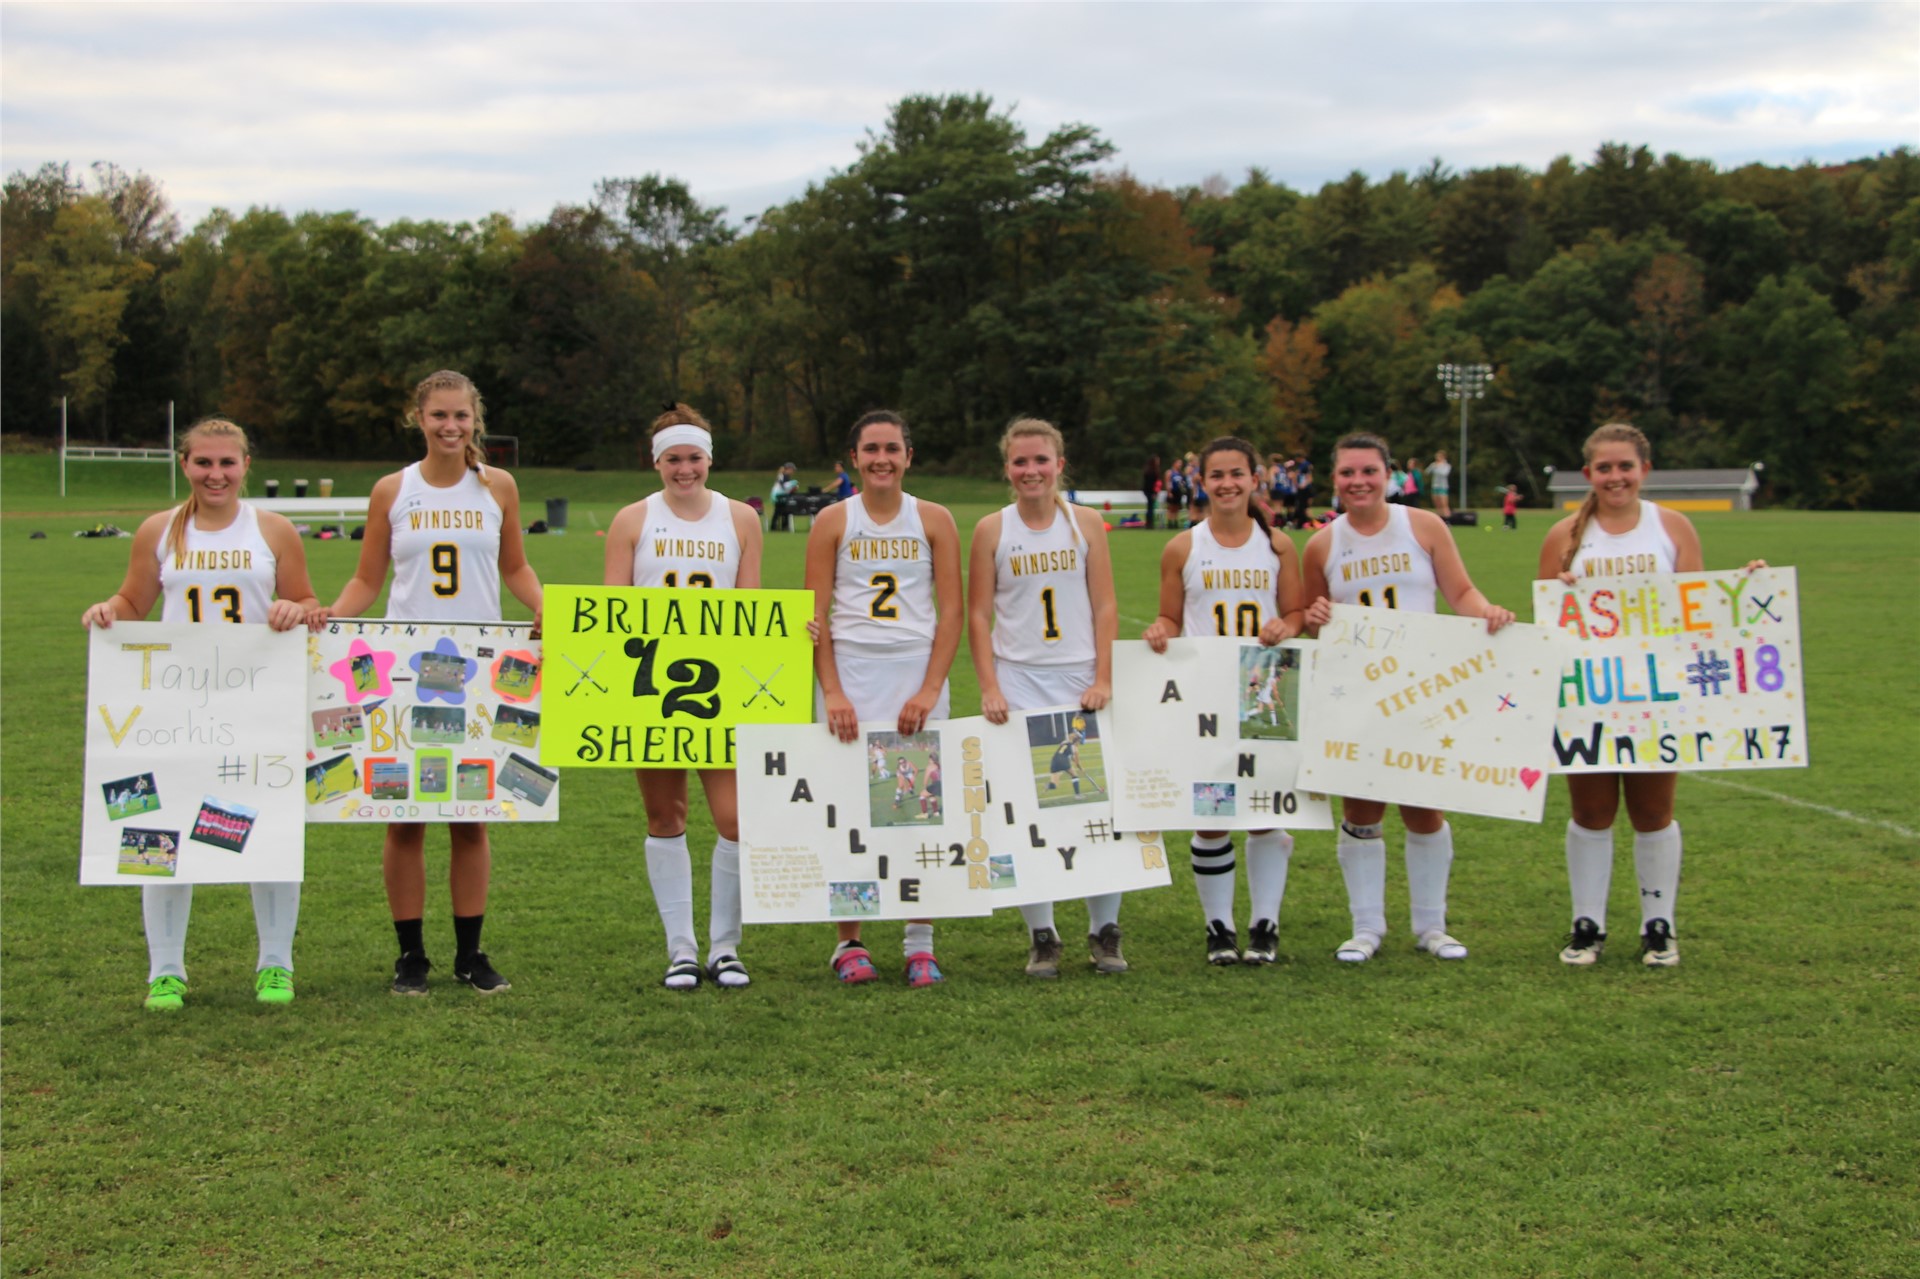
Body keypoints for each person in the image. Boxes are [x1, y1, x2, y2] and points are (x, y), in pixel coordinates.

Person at [314, 370, 542, 996]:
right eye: (439, 416)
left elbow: (515, 567)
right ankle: (410, 956)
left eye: (461, 417)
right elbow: (367, 580)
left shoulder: (498, 486)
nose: (450, 427)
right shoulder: (394, 488)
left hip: (480, 671)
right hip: (408, 670)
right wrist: (332, 616)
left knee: (472, 815)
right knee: (404, 816)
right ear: (419, 418)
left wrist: (545, 606)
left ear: (476, 419)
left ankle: (470, 954)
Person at [82, 417, 318, 1011]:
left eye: (228, 463)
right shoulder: (159, 530)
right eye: (203, 462)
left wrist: (296, 607)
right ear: (183, 464)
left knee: (267, 831)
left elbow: (308, 600)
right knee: (158, 830)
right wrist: (108, 610)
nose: (216, 474)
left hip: (258, 704)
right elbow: (134, 600)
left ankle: (275, 965)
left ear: (246, 465)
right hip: (174, 706)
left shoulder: (275, 529)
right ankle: (165, 969)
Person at [1537, 423, 1764, 967]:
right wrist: (1561, 597)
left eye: (1626, 467)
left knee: (1653, 813)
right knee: (1591, 813)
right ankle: (1585, 926)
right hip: (1588, 696)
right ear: (1588, 473)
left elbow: (1700, 609)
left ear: (1644, 470)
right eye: (1605, 468)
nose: (1616, 477)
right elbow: (1544, 626)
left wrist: (1750, 587)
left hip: (1659, 697)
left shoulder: (1673, 527)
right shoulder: (1563, 535)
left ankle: (1658, 926)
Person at [1302, 432, 1514, 965]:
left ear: (1388, 475)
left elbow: (1459, 591)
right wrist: (1314, 618)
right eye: (1348, 473)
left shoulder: (1422, 526)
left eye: (1368, 471)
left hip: (1423, 690)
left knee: (1424, 808)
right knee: (1362, 809)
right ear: (1335, 480)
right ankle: (1366, 926)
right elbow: (1310, 617)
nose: (1358, 482)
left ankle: (1431, 926)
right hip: (1357, 695)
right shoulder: (1323, 544)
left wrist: (1486, 611)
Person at [604, 403, 765, 990]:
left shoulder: (740, 519)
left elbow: (752, 612)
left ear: (709, 458)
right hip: (651, 687)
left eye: (694, 457)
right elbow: (609, 612)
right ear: (657, 461)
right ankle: (681, 949)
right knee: (664, 814)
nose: (684, 469)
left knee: (736, 818)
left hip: (719, 689)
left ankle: (725, 947)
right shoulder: (631, 520)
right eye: (673, 458)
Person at [806, 410, 963, 986]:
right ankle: (850, 941)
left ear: (908, 456)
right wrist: (832, 691)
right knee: (849, 812)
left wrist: (929, 688)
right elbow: (814, 617)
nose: (881, 458)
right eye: (871, 448)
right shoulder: (831, 521)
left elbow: (951, 614)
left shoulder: (935, 519)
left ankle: (919, 941)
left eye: (892, 448)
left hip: (915, 677)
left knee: (918, 810)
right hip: (850, 677)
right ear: (854, 458)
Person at [968, 418, 1123, 978]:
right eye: (1019, 462)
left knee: (1097, 808)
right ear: (1007, 468)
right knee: (1026, 812)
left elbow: (1105, 606)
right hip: (1020, 680)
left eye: (1041, 460)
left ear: (1060, 464)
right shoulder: (992, 528)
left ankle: (1104, 932)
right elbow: (980, 614)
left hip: (1080, 678)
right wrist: (990, 686)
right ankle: (1043, 935)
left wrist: (1103, 676)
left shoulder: (1086, 525)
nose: (1030, 471)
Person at [1143, 437, 1306, 967]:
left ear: (1255, 479)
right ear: (1203, 482)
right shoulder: (1183, 547)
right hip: (1204, 696)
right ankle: (1219, 928)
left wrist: (1288, 623)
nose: (1228, 484)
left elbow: (1298, 613)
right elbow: (1171, 616)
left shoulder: (1278, 545)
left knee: (1264, 811)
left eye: (1238, 473)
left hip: (1264, 688)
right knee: (1211, 814)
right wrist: (1159, 631)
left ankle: (1265, 924)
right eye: (1217, 475)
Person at [769, 462, 799, 532]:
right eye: (792, 470)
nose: (793, 472)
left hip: (781, 497)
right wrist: (793, 484)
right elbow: (784, 487)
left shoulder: (783, 476)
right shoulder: (783, 476)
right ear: (788, 469)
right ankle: (776, 527)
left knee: (781, 511)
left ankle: (780, 526)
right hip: (778, 497)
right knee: (779, 511)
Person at [1164, 458, 1188, 530]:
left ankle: (1175, 521)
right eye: (1178, 463)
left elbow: (1183, 482)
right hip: (1172, 491)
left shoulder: (1180, 473)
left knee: (1177, 507)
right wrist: (1169, 492)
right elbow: (1168, 482)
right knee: (1171, 508)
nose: (1180, 465)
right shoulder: (1170, 472)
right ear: (1174, 463)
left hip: (1178, 492)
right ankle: (1170, 522)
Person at [1428, 451, 1453, 521]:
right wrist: (1434, 466)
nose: (1437, 458)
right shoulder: (1434, 465)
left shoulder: (1446, 465)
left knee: (1444, 504)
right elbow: (1427, 471)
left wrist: (1437, 467)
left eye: (1438, 456)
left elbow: (1444, 473)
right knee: (1437, 504)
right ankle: (1440, 519)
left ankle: (1448, 520)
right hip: (1435, 486)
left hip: (1443, 486)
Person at [1140, 455, 1161, 530]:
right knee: (1150, 508)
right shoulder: (1151, 472)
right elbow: (1151, 484)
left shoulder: (1149, 470)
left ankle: (1149, 523)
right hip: (1150, 491)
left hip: (1148, 491)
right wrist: (1154, 493)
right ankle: (1150, 523)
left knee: (1150, 507)